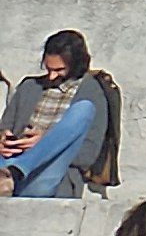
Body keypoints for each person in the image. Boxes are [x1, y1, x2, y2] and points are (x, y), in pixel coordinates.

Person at [0, 27, 114, 199]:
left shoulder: (92, 92)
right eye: (48, 69)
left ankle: (17, 172)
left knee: (84, 109)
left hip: (46, 173)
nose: (52, 76)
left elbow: (88, 155)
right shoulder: (29, 86)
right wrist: (4, 139)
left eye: (59, 70)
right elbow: (5, 126)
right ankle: (10, 175)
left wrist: (43, 144)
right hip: (6, 167)